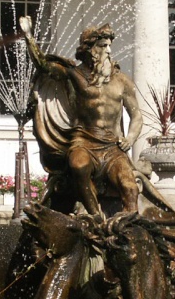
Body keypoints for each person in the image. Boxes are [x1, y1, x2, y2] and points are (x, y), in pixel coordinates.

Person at [19, 15, 144, 218]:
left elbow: (136, 115)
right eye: (103, 46)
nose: (109, 51)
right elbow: (43, 64)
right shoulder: (74, 75)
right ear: (89, 48)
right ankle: (96, 217)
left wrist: (130, 138)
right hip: (84, 142)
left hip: (113, 147)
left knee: (129, 186)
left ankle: (129, 225)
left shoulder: (122, 81)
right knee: (79, 165)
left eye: (109, 46)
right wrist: (28, 37)